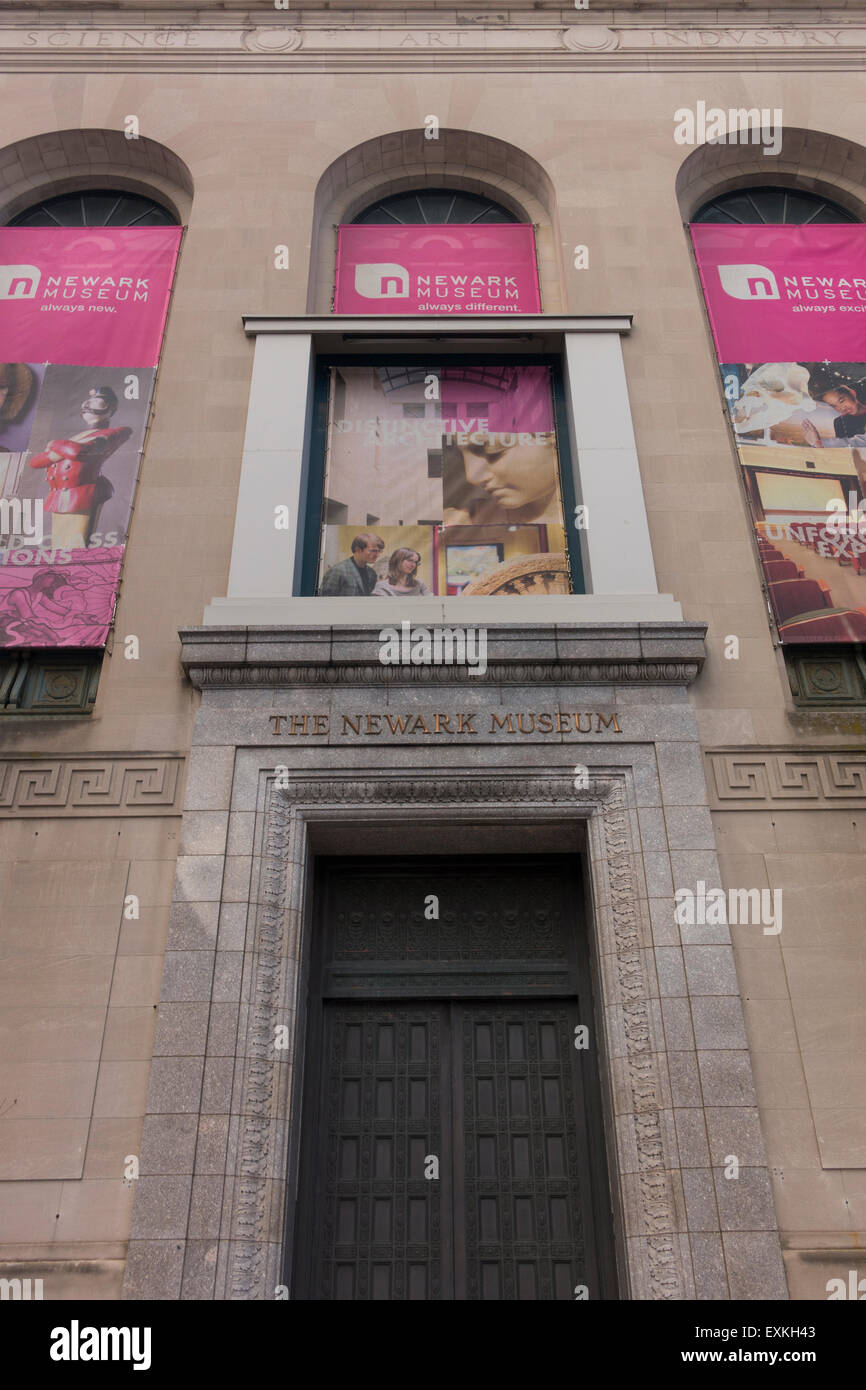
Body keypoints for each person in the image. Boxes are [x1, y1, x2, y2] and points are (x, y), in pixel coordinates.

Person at [28, 386, 131, 548]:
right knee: (59, 545)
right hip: (59, 494)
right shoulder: (76, 437)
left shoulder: (116, 432)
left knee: (74, 544)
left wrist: (53, 444)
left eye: (98, 401)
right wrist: (63, 449)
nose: (90, 405)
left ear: (110, 408)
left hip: (82, 493)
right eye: (89, 400)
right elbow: (35, 462)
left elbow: (76, 451)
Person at [443, 430, 561, 525]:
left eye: (492, 451)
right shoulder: (467, 521)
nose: (471, 477)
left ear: (554, 438)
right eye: (460, 455)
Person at [802, 378, 866, 448]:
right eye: (834, 406)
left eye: (842, 401)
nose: (842, 408)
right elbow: (847, 448)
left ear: (852, 393)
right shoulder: (840, 422)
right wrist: (817, 442)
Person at [319, 532, 384, 595]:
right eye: (373, 551)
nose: (377, 555)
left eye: (379, 551)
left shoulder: (372, 573)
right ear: (358, 550)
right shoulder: (338, 571)